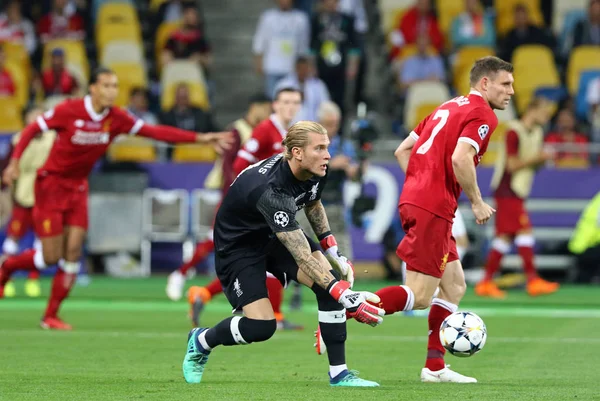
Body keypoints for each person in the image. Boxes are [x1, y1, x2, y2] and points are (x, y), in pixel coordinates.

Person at [317, 56, 515, 381]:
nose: (510, 91)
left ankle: (434, 367)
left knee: (453, 286)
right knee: (420, 295)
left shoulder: (447, 107)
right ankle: (341, 313)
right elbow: (461, 158)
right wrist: (477, 201)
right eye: (505, 84)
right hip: (433, 206)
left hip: (419, 200)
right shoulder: (482, 114)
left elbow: (402, 150)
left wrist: (422, 185)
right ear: (484, 83)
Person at [0, 67, 231, 330]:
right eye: (107, 86)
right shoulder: (69, 110)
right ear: (94, 88)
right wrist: (14, 163)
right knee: (50, 258)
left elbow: (155, 133)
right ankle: (7, 268)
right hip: (50, 185)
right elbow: (32, 129)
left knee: (73, 251)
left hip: (78, 188)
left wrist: (200, 138)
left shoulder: (117, 118)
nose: (112, 91)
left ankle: (50, 315)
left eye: (115, 86)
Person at [182, 121, 384, 386]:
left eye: (327, 147)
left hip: (273, 233)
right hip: (239, 246)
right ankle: (201, 340)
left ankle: (339, 373)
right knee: (262, 327)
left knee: (329, 281)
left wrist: (331, 247)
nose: (328, 155)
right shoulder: (269, 190)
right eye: (320, 148)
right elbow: (302, 257)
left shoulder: (314, 169)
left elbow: (312, 202)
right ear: (297, 152)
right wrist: (346, 296)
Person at [167, 88, 303, 329]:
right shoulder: (264, 130)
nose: (290, 107)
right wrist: (250, 199)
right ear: (275, 105)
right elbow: (240, 163)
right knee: (268, 256)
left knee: (268, 258)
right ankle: (187, 278)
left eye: (295, 102)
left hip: (272, 206)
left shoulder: (290, 133)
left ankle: (204, 293)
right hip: (256, 206)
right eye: (285, 102)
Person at [477, 98, 559, 298]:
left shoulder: (537, 132)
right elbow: (512, 166)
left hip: (519, 190)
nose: (547, 117)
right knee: (523, 231)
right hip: (507, 189)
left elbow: (530, 164)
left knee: (506, 236)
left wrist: (543, 160)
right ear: (532, 109)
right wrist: (538, 158)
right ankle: (531, 280)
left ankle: (486, 281)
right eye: (544, 112)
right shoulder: (513, 131)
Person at [2, 106, 55, 298]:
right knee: (12, 240)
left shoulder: (53, 138)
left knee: (42, 241)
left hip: (46, 198)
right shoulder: (18, 140)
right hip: (23, 196)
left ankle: (33, 279)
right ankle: (6, 278)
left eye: (41, 114)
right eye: (34, 114)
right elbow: (7, 168)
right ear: (26, 118)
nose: (38, 118)